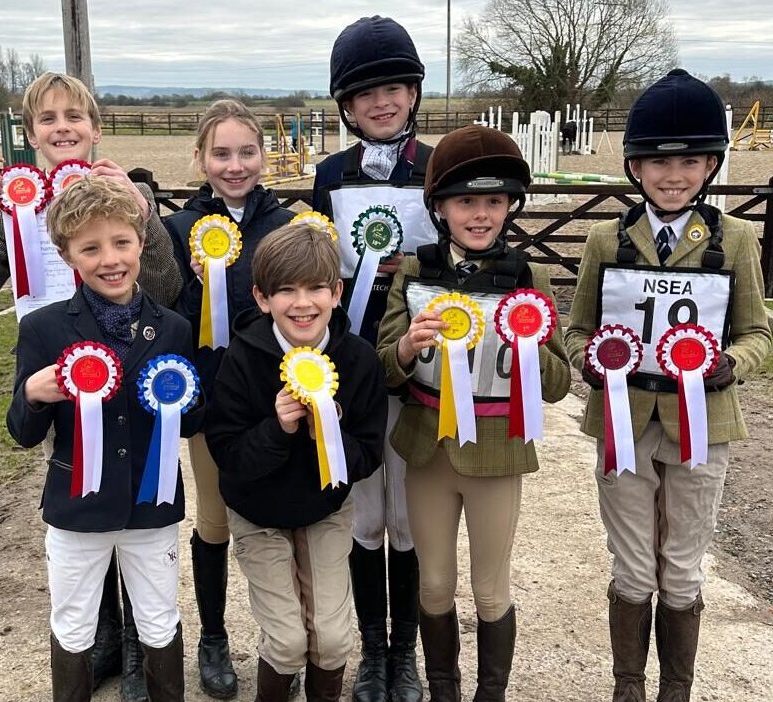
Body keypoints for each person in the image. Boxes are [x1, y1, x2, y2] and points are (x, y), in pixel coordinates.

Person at [0, 71, 181, 701]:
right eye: (48, 119)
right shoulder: (12, 200)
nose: (63, 127)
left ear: (95, 128)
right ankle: (99, 639)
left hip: (133, 370)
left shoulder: (133, 190)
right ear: (32, 133)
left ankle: (135, 647)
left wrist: (146, 216)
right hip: (56, 373)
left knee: (133, 501)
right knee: (82, 504)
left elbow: (168, 288)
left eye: (74, 115)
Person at [564, 69, 772, 702]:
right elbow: (575, 330)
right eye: (657, 161)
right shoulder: (606, 240)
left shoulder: (735, 240)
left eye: (688, 161)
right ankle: (628, 686)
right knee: (631, 565)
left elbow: (757, 332)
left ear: (710, 164)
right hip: (622, 426)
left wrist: (730, 364)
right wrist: (590, 362)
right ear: (635, 167)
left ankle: (674, 690)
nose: (672, 175)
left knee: (680, 569)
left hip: (702, 426)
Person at [375, 125, 572, 702]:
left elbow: (559, 385)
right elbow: (387, 366)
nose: (480, 214)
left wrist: (531, 351)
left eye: (493, 201)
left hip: (496, 451)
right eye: (466, 201)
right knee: (434, 585)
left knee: (490, 590)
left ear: (510, 205)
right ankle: (443, 691)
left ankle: (491, 693)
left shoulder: (527, 279)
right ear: (440, 207)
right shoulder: (415, 272)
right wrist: (410, 344)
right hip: (427, 449)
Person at [6, 175, 203, 702]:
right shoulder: (44, 330)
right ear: (68, 254)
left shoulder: (173, 329)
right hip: (77, 509)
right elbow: (23, 433)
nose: (110, 259)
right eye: (90, 248)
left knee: (160, 621)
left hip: (150, 503)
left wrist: (189, 400)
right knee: (72, 625)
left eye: (121, 242)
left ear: (141, 242)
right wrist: (33, 392)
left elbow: (188, 422)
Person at [205, 223, 388, 702]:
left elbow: (367, 457)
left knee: (331, 639)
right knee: (287, 642)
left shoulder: (360, 360)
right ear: (263, 299)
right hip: (257, 513)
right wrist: (277, 429)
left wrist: (327, 431)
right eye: (286, 290)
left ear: (337, 292)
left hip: (325, 511)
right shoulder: (240, 360)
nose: (302, 303)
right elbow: (227, 455)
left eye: (315, 288)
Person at [312, 16, 435, 702]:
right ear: (347, 107)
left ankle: (406, 654)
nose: (380, 101)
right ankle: (370, 651)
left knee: (408, 519)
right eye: (364, 94)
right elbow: (312, 268)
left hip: (419, 364)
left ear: (412, 92)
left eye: (392, 87)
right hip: (353, 366)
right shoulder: (331, 176)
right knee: (364, 517)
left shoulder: (437, 167)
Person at [162, 98, 294, 700]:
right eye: (221, 153)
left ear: (264, 156)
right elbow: (174, 326)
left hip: (280, 403)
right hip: (212, 405)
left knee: (283, 522)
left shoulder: (291, 225)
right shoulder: (177, 229)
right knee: (213, 523)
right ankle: (213, 637)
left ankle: (284, 643)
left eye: (246, 152)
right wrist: (195, 282)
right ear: (200, 158)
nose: (235, 165)